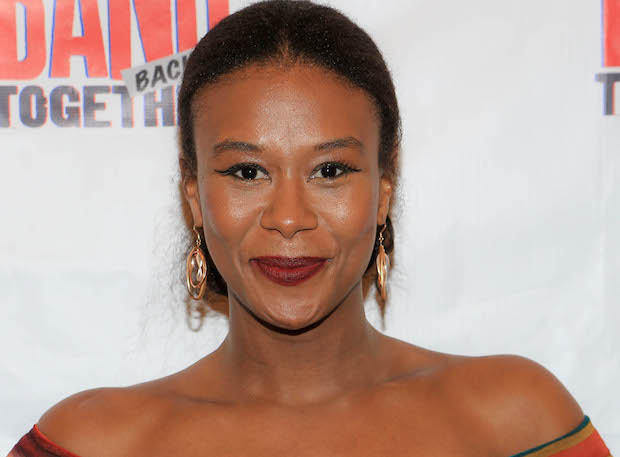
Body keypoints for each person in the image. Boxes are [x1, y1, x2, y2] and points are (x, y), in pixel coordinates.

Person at [8, 1, 613, 456]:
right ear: (194, 195)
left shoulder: (516, 421)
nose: (289, 218)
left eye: (330, 170)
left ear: (384, 189)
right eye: (247, 172)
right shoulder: (93, 443)